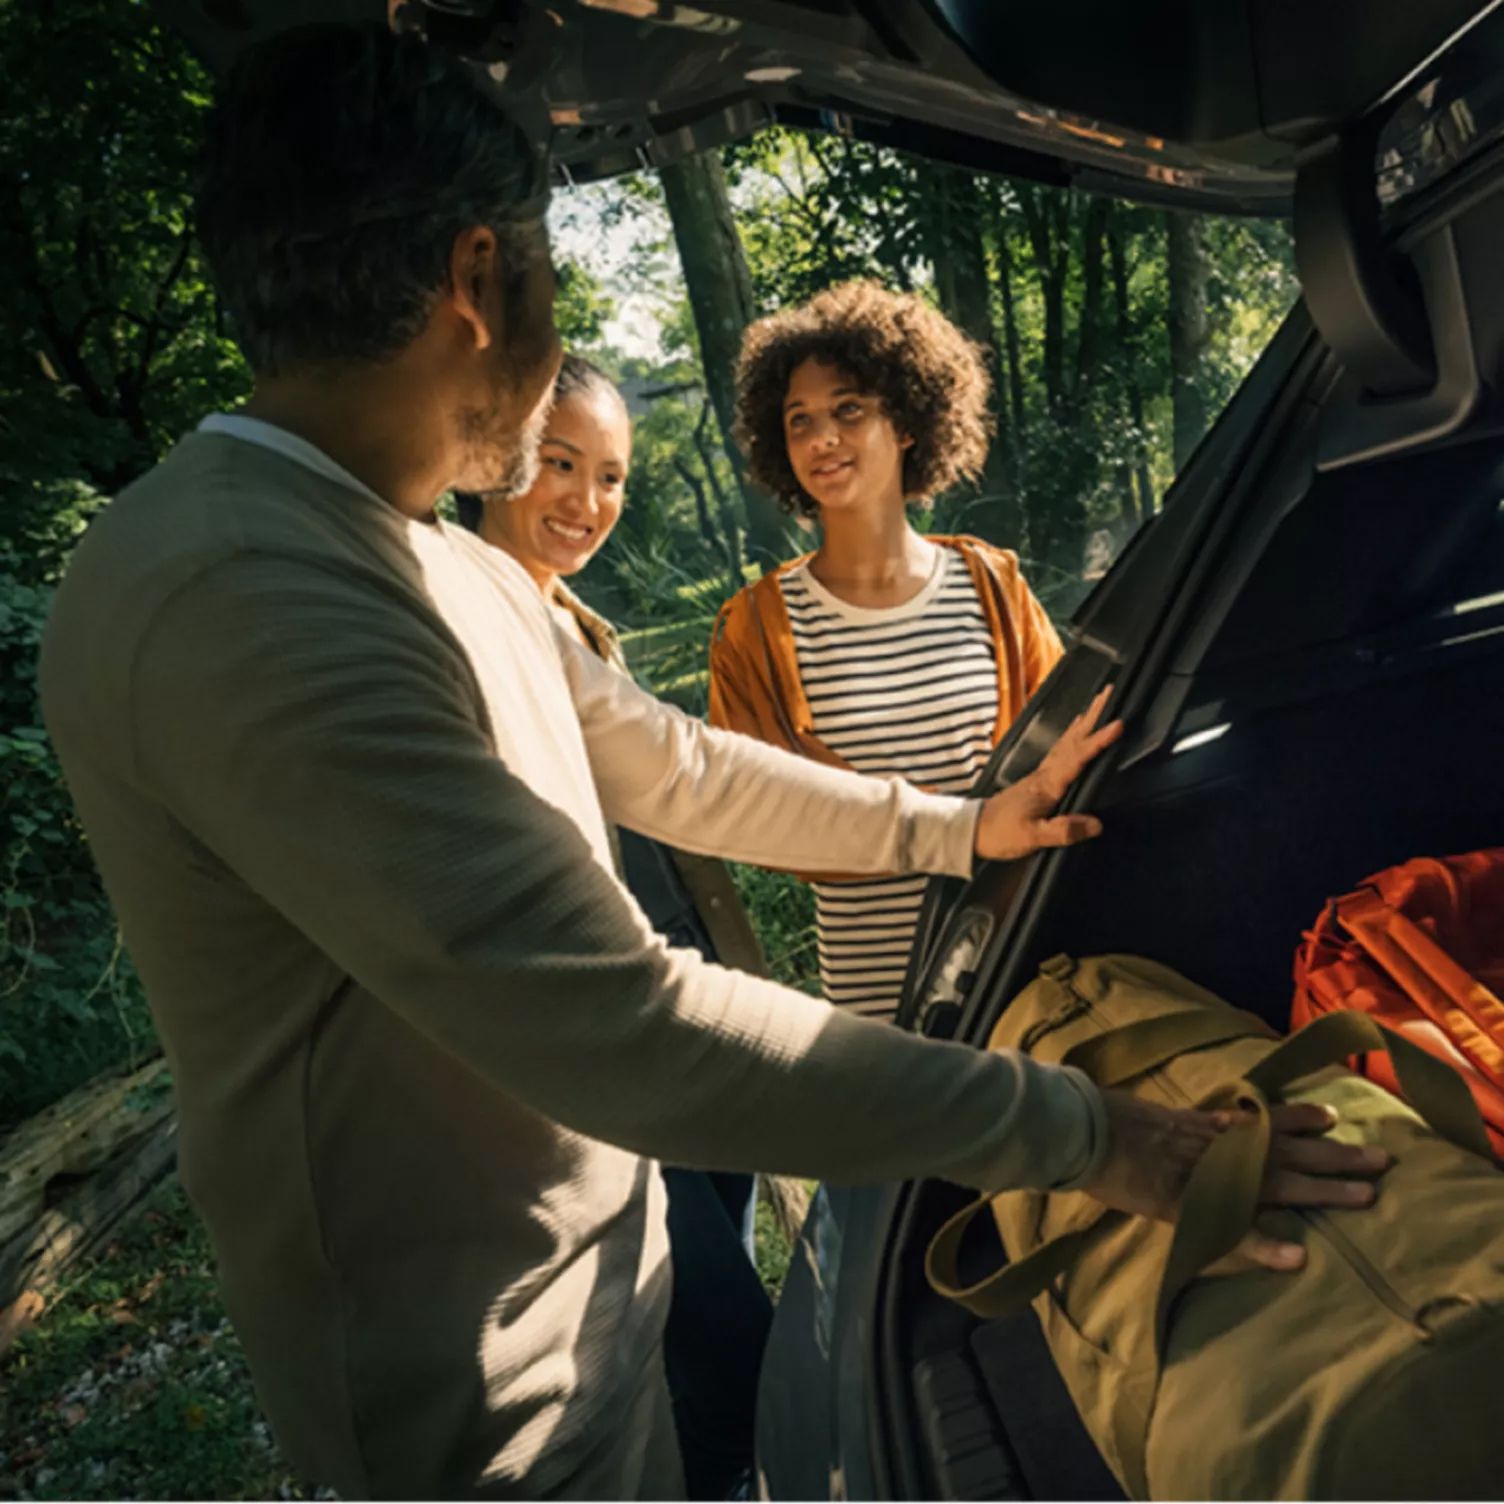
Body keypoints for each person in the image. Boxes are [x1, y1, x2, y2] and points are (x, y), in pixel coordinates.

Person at [38, 23, 1387, 1501]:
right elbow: (620, 1024)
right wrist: (1087, 1135)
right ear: (480, 282)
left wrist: (952, 828)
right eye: (553, 282)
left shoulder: (431, 560)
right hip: (474, 1406)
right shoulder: (242, 590)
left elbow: (675, 767)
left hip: (602, 1311)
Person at [459, 354, 772, 1500]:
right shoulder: (449, 620)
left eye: (611, 476)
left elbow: (676, 787)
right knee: (729, 1329)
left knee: (716, 1254)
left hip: (690, 971)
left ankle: (713, 1472)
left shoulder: (576, 622)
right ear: (492, 455)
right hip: (604, 1027)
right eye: (559, 464)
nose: (586, 501)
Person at [709, 280, 1065, 1020]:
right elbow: (753, 814)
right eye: (799, 420)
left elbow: (1060, 760)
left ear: (907, 422)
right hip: (873, 998)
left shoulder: (991, 585)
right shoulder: (755, 626)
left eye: (848, 410)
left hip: (1013, 965)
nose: (821, 439)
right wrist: (950, 833)